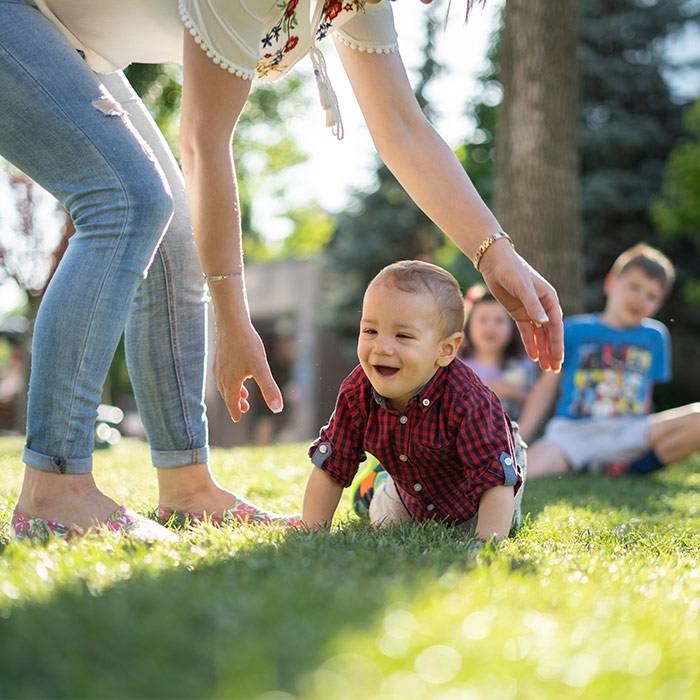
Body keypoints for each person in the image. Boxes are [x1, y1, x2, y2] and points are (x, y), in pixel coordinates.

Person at [1, 0, 561, 542]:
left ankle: (187, 487)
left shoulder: (356, 2)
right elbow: (203, 141)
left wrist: (495, 254)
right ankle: (54, 491)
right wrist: (231, 319)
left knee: (170, 231)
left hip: (71, 43)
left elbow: (401, 127)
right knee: (130, 200)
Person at [302, 261, 526, 541]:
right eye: (370, 331)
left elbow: (495, 480)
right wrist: (310, 531)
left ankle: (380, 480)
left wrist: (487, 545)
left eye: (403, 336)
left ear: (445, 350)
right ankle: (377, 485)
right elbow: (332, 464)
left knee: (496, 524)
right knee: (387, 521)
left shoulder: (470, 400)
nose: (381, 348)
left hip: (480, 494)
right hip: (412, 492)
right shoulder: (357, 391)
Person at [519, 243, 700, 478]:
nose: (640, 299)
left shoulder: (655, 336)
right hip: (574, 434)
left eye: (652, 296)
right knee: (521, 471)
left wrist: (648, 434)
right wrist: (521, 436)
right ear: (611, 283)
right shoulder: (574, 330)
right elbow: (546, 388)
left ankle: (628, 470)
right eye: (634, 287)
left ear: (658, 305)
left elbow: (646, 395)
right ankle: (592, 464)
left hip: (629, 431)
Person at [460, 283, 538, 421]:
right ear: (468, 324)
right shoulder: (458, 366)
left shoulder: (525, 365)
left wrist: (511, 392)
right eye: (482, 320)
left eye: (499, 321)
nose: (490, 328)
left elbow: (538, 402)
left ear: (512, 327)